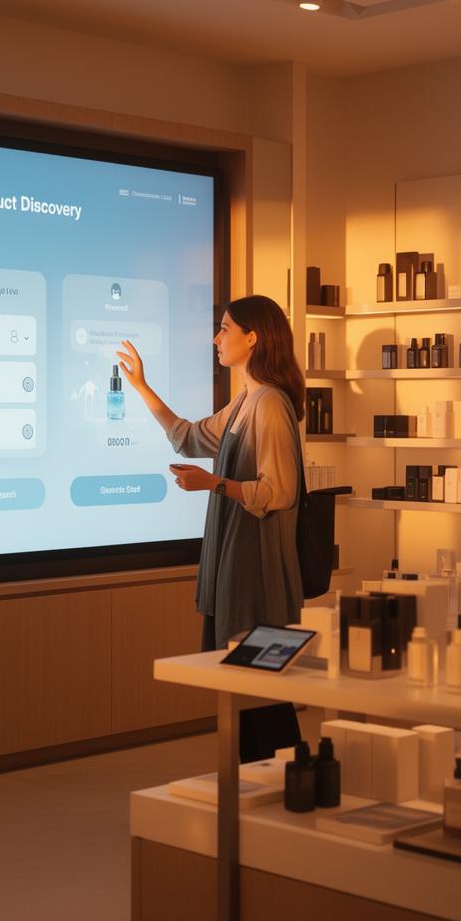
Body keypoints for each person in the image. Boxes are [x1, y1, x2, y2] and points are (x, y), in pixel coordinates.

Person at [116, 294, 306, 759]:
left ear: (253, 338)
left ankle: (289, 789)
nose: (215, 338)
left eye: (224, 328)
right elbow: (187, 437)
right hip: (239, 569)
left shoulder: (271, 406)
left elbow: (277, 492)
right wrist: (141, 386)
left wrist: (214, 484)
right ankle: (260, 796)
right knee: (248, 693)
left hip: (258, 575)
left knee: (261, 695)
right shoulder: (245, 403)